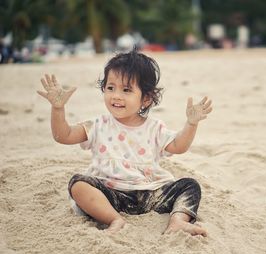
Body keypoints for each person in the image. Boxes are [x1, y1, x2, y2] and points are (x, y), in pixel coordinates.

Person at [37, 49, 212, 236]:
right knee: (78, 184)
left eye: (126, 90)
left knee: (189, 185)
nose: (116, 96)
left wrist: (191, 124)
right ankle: (114, 219)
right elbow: (64, 136)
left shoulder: (154, 128)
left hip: (150, 194)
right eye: (110, 88)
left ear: (146, 99)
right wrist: (58, 109)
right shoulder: (98, 125)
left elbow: (179, 146)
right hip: (110, 194)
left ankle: (178, 221)